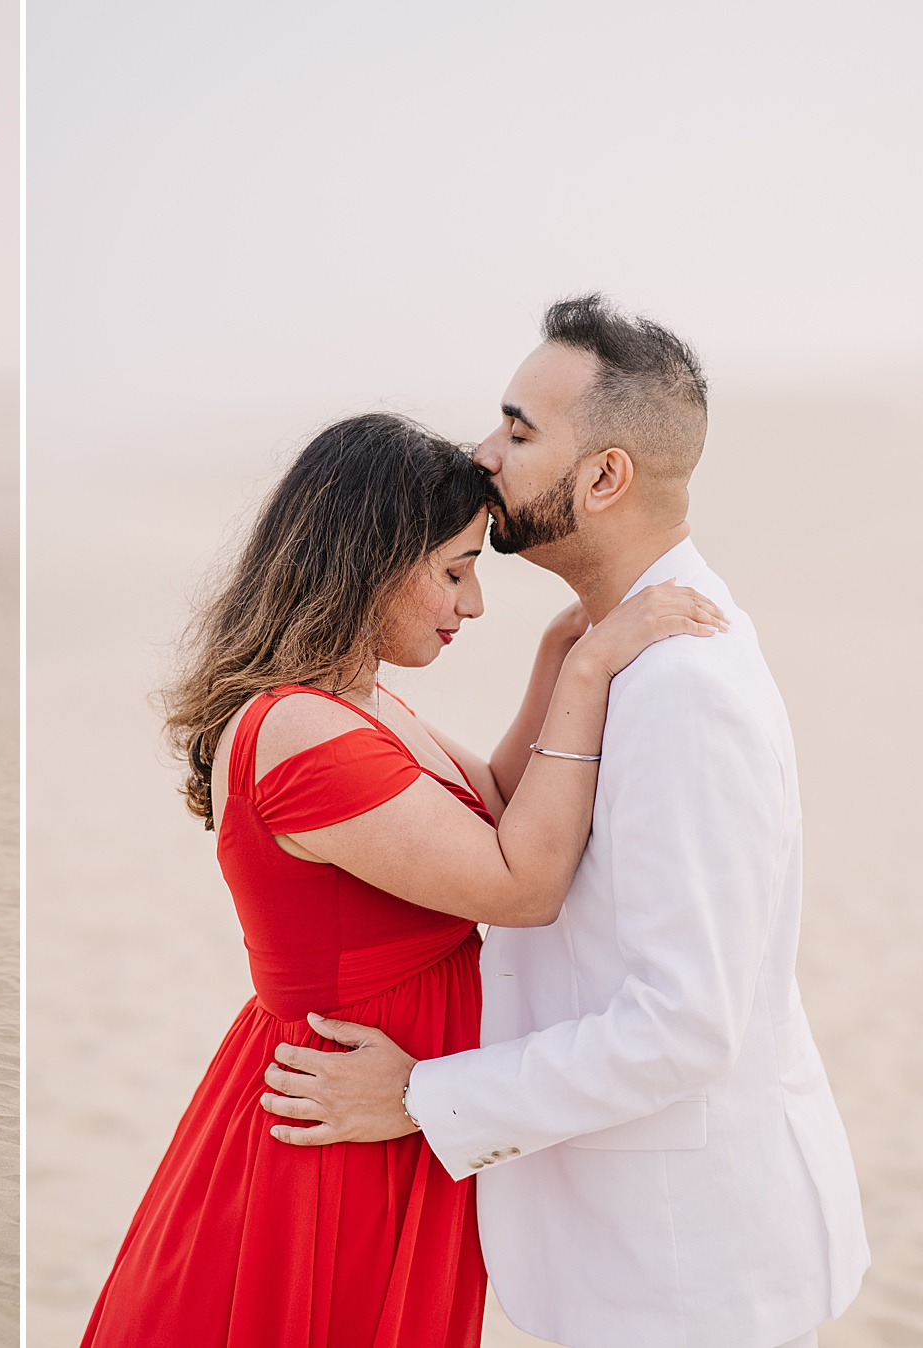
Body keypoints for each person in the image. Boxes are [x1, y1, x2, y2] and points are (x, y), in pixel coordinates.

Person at [263, 297, 871, 1348]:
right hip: (621, 1259)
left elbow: (683, 1023)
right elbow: (505, 820)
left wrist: (420, 1097)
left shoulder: (682, 684)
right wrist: (571, 658)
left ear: (603, 479)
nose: (484, 452)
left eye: (519, 429)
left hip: (685, 1275)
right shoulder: (612, 651)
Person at [79, 412, 723, 1347]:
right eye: (454, 571)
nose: (471, 605)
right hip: (337, 1134)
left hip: (394, 1112)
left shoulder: (352, 698)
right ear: (374, 559)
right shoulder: (298, 731)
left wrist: (554, 654)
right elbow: (522, 882)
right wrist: (591, 665)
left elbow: (497, 801)